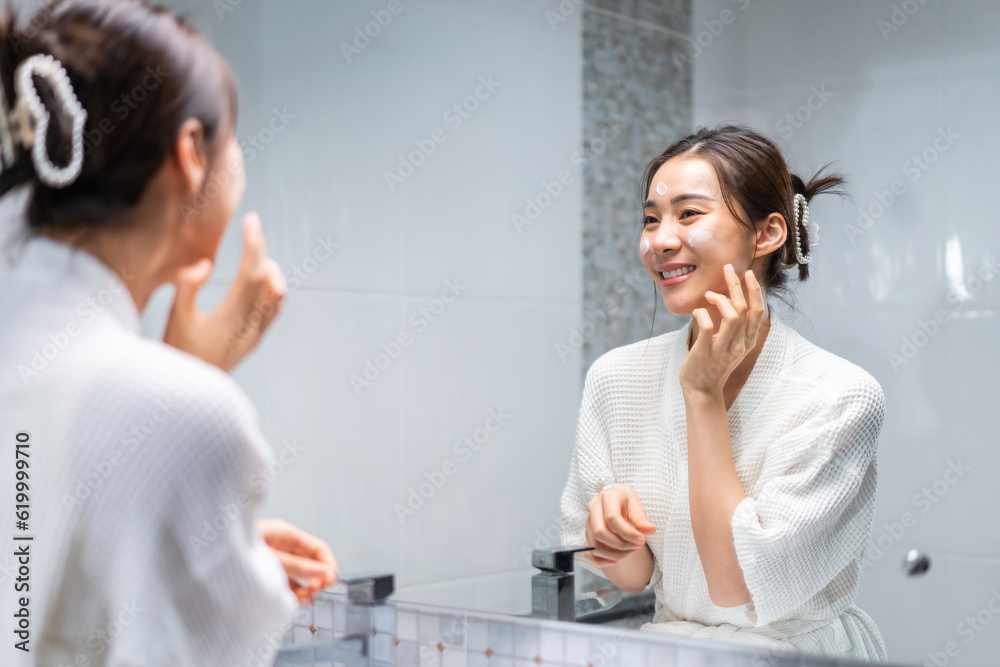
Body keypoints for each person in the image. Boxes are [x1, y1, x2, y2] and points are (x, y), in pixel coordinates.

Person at [0, 1, 337, 665]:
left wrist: (166, 536)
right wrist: (189, 386)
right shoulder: (183, 412)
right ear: (190, 153)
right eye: (234, 137)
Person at [560, 125, 887, 661]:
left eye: (689, 213)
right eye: (651, 218)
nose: (659, 240)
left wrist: (702, 395)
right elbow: (634, 577)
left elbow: (736, 587)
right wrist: (612, 532)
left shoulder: (840, 395)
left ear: (768, 234)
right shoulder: (616, 378)